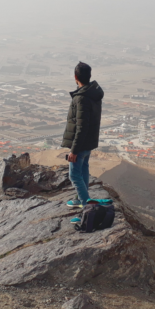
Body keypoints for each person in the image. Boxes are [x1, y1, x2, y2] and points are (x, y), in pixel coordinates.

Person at [61, 61, 103, 207]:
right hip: (89, 141)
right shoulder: (93, 93)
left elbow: (81, 127)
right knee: (83, 169)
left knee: (74, 175)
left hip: (81, 143)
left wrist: (74, 150)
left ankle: (87, 206)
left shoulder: (82, 98)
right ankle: (81, 199)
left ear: (75, 77)